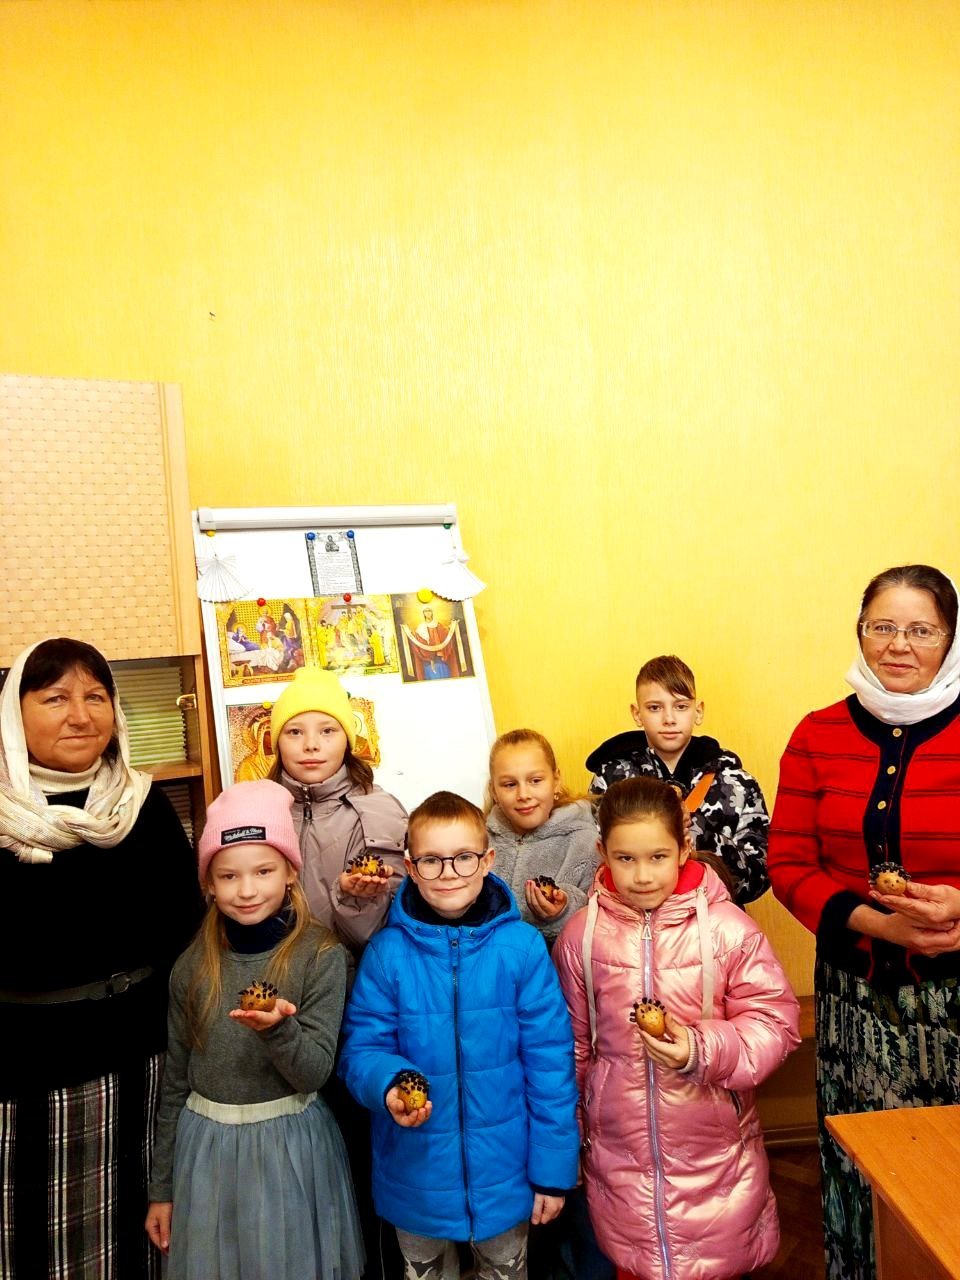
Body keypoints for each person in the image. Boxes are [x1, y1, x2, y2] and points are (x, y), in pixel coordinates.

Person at [768, 563, 960, 1280]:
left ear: (951, 640)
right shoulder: (817, 734)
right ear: (859, 631)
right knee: (865, 1170)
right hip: (857, 1002)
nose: (899, 645)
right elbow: (788, 861)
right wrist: (879, 926)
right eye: (883, 626)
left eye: (922, 630)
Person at [0, 636, 201, 1279]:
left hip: (141, 1059)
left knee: (142, 1235)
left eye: (96, 696)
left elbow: (186, 935)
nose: (80, 716)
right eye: (55, 698)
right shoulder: (3, 816)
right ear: (13, 714)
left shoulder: (141, 806)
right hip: (24, 1070)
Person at [554, 777, 800, 1280]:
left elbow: (775, 1022)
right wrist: (569, 1134)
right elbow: (570, 1048)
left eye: (658, 857)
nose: (643, 875)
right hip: (618, 1158)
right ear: (602, 853)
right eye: (625, 859)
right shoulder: (581, 936)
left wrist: (702, 1048)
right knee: (632, 1265)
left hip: (718, 1158)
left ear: (684, 848)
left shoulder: (729, 930)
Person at [339, 790, 580, 1280]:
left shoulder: (523, 947)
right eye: (431, 860)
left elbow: (551, 1065)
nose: (449, 873)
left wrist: (552, 1173)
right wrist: (389, 1084)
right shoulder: (386, 954)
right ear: (410, 867)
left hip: (506, 1173)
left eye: (463, 857)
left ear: (487, 861)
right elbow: (361, 1050)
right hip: (415, 1174)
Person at [145, 779, 363, 1280]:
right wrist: (162, 1189)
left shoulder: (321, 956)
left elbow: (313, 1073)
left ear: (290, 871)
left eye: (263, 871)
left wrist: (277, 1030)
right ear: (209, 883)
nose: (246, 890)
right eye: (228, 876)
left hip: (293, 1151)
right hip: (207, 1154)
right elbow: (174, 1083)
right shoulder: (191, 966)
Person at [585, 653, 770, 905]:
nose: (669, 719)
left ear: (698, 711)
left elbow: (760, 877)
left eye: (681, 706)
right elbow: (594, 860)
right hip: (627, 921)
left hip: (712, 920)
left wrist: (698, 831)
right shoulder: (611, 779)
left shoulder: (736, 783)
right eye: (654, 708)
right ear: (637, 714)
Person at [268, 666, 407, 961]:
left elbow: (385, 933)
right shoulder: (256, 811)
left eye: (327, 730)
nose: (311, 745)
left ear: (347, 738)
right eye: (294, 732)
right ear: (277, 741)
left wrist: (356, 897)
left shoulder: (379, 813)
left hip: (356, 977)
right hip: (276, 976)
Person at [486, 729, 600, 943]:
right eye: (510, 785)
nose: (523, 795)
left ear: (556, 780)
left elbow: (602, 918)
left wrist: (562, 910)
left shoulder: (586, 843)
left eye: (535, 780)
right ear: (494, 791)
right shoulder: (479, 842)